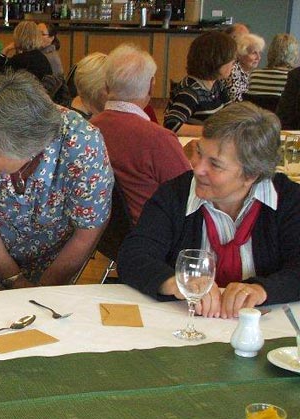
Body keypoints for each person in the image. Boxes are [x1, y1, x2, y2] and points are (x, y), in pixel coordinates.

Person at [119, 102, 300, 319]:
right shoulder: (175, 194)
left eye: (215, 164)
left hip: (266, 328)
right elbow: (133, 255)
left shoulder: (289, 201)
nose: (198, 168)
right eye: (199, 152)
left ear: (251, 175)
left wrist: (262, 289)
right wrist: (175, 282)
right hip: (185, 323)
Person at [0, 71, 113, 292]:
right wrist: (14, 279)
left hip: (52, 255)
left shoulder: (81, 145)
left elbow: (87, 231)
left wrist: (40, 290)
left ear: (28, 148)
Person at [89, 44, 191, 224]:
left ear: (106, 86)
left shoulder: (87, 131)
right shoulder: (158, 139)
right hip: (155, 236)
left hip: (106, 236)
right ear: (151, 86)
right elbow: (190, 196)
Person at [164, 31, 236, 137]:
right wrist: (213, 131)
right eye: (231, 60)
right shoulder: (190, 91)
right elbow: (172, 126)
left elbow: (232, 112)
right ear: (216, 61)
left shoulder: (217, 85)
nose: (233, 63)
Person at [223, 33, 265, 102]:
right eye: (253, 53)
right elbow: (236, 103)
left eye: (259, 53)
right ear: (240, 54)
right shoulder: (233, 72)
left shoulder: (245, 72)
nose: (259, 57)